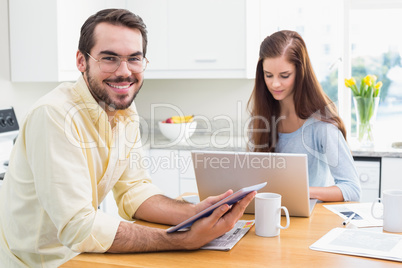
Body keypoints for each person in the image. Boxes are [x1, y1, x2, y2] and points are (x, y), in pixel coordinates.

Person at [0, 9, 256, 267]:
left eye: (134, 58)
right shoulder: (54, 116)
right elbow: (77, 227)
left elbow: (134, 190)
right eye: (109, 58)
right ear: (81, 61)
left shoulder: (122, 110)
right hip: (39, 262)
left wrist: (192, 213)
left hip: (82, 256)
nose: (124, 71)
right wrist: (181, 240)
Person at [247, 30, 360, 202]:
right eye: (268, 75)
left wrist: (301, 191)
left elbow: (352, 189)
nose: (274, 83)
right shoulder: (262, 119)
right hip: (270, 215)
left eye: (284, 75)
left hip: (307, 220)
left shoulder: (322, 124)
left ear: (300, 73)